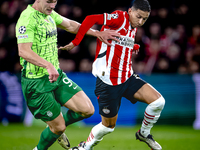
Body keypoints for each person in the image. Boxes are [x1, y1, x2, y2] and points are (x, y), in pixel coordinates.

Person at [60, 0, 165, 150]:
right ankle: (84, 147)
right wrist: (76, 42)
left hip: (127, 77)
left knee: (158, 102)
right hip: (108, 82)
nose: (141, 21)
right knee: (108, 127)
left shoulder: (133, 25)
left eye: (145, 19)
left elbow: (119, 40)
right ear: (130, 11)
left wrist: (132, 45)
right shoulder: (119, 18)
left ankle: (144, 133)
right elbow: (90, 19)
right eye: (139, 16)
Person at [15, 0, 120, 150]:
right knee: (59, 128)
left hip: (56, 76)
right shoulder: (27, 18)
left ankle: (57, 128)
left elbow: (71, 25)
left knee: (87, 110)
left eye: (55, 2)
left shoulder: (49, 14)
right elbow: (24, 51)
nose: (53, 6)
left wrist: (97, 33)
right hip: (36, 81)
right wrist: (48, 65)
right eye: (49, 2)